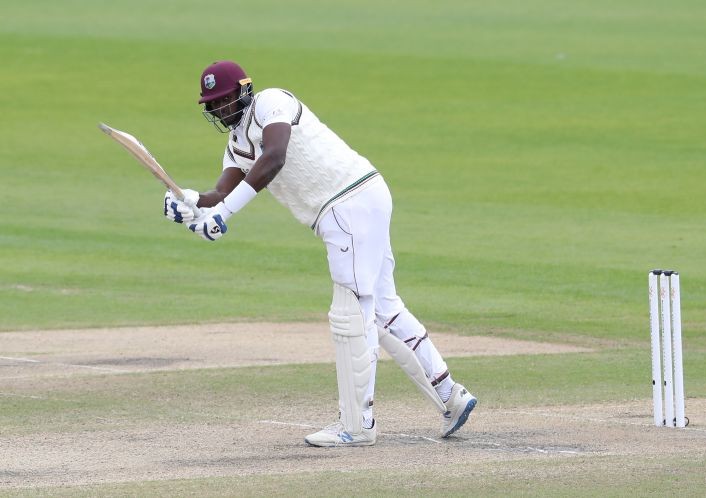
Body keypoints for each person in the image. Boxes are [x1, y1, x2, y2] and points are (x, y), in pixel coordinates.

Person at [163, 60, 477, 447]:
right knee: (382, 307)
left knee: (351, 313)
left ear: (243, 91)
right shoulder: (236, 144)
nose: (222, 109)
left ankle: (358, 425)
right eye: (214, 104)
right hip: (357, 202)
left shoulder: (271, 102)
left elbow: (274, 157)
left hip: (346, 202)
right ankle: (451, 396)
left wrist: (223, 215)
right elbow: (219, 194)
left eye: (226, 99)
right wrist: (191, 204)